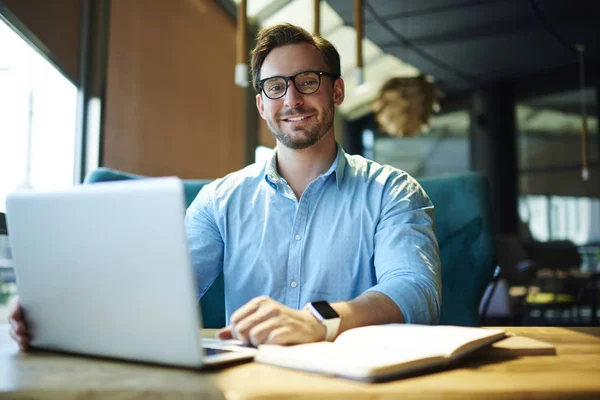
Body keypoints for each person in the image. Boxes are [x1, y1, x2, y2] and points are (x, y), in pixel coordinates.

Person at [8, 23, 441, 350]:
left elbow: (415, 290)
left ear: (337, 91)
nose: (291, 100)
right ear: (261, 103)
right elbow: (161, 289)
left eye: (308, 82)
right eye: (275, 87)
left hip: (357, 382)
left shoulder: (393, 191)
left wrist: (319, 321)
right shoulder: (220, 200)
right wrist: (64, 317)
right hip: (246, 381)